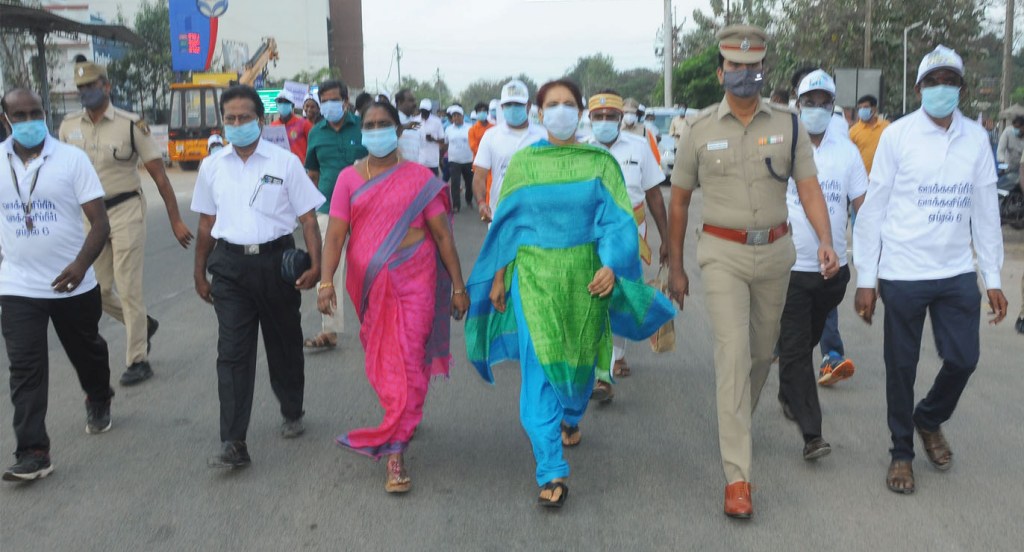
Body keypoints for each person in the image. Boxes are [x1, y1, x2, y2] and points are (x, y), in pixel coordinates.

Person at [464, 78, 674, 508]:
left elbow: (616, 222)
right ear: (540, 114)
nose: (559, 110)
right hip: (534, 279)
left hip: (586, 280)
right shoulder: (524, 164)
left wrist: (612, 267)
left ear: (578, 112)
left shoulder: (599, 162)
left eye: (567, 104)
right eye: (551, 104)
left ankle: (572, 415)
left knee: (578, 369)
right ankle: (551, 468)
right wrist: (501, 277)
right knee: (538, 369)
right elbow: (509, 225)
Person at [667, 25, 838, 519]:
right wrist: (675, 266)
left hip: (776, 254)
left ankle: (734, 414)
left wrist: (825, 240)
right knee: (733, 352)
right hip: (722, 253)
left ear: (763, 69)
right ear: (721, 71)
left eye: (752, 66)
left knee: (763, 353)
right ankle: (738, 476)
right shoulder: (697, 129)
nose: (744, 75)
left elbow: (808, 188)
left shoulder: (789, 124)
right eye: (734, 67)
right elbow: (678, 204)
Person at [853, 45, 1007, 495]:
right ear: (919, 87)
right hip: (903, 270)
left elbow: (984, 212)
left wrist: (992, 277)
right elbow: (874, 209)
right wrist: (867, 279)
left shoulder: (976, 138)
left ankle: (929, 417)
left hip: (956, 270)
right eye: (933, 81)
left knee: (964, 358)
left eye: (950, 81)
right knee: (900, 367)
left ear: (960, 88)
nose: (942, 88)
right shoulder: (897, 136)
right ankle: (902, 452)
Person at [317, 101, 469, 493]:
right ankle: (402, 417)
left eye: (385, 123)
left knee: (408, 361)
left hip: (416, 281)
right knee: (385, 362)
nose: (377, 129)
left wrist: (457, 285)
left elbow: (442, 236)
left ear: (398, 129)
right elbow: (335, 235)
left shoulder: (418, 177)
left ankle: (396, 451)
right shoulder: (349, 179)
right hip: (369, 287)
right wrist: (325, 282)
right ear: (362, 131)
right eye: (370, 124)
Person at [191, 85, 325, 469]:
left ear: (261, 121)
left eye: (244, 118)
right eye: (230, 119)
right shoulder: (212, 166)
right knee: (232, 354)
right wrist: (199, 272)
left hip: (276, 264)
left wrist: (315, 266)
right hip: (230, 268)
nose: (237, 125)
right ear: (223, 122)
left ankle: (292, 408)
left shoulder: (285, 163)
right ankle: (234, 441)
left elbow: (308, 220)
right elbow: (205, 224)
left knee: (284, 344)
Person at [0, 88, 114, 482]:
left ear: (44, 113)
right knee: (26, 369)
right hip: (18, 286)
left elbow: (100, 223)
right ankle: (33, 451)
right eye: (20, 114)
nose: (30, 120)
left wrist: (82, 265)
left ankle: (98, 395)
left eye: (35, 112)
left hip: (73, 285)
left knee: (88, 352)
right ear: (6, 118)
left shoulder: (71, 159)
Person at [58, 56, 194, 387]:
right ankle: (143, 325)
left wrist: (176, 220)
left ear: (107, 86)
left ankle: (137, 359)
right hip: (91, 216)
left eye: (91, 86)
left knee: (128, 286)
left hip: (126, 210)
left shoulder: (131, 124)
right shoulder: (68, 126)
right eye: (81, 88)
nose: (85, 92)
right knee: (98, 290)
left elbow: (160, 178)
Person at [776, 70, 867, 461]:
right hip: (792, 267)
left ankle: (786, 390)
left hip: (834, 274)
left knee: (809, 339)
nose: (815, 109)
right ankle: (812, 433)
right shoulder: (782, 147)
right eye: (808, 102)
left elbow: (864, 208)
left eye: (823, 103)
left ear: (833, 107)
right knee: (797, 348)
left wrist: (873, 268)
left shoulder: (847, 152)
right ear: (798, 104)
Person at [583, 90, 669, 402]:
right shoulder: (580, 150)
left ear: (621, 119)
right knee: (594, 293)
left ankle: (611, 361)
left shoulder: (640, 147)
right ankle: (600, 366)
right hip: (590, 233)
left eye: (611, 117)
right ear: (589, 119)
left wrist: (667, 240)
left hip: (630, 232)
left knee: (620, 293)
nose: (605, 122)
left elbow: (655, 195)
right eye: (598, 117)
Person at [303, 79, 367, 350]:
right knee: (329, 270)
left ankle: (378, 325)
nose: (329, 105)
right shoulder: (315, 133)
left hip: (366, 209)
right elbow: (313, 172)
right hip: (329, 209)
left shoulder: (364, 127)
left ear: (345, 101)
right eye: (324, 100)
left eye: (333, 100)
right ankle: (329, 331)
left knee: (371, 268)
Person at [472, 80, 547, 222]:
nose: (513, 108)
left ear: (528, 106)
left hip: (537, 216)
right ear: (502, 107)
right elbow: (479, 177)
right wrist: (482, 203)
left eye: (518, 104)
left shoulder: (543, 136)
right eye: (508, 104)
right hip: (501, 215)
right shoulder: (491, 136)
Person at [848, 94, 889, 175]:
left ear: (874, 109)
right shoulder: (853, 131)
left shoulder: (887, 127)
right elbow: (848, 156)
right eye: (860, 108)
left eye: (865, 107)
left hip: (883, 175)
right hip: (862, 177)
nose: (862, 110)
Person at [444, 105, 473, 213]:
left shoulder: (470, 128)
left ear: (462, 116)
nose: (455, 118)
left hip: (468, 160)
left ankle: (469, 199)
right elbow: (446, 143)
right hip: (454, 160)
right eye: (454, 116)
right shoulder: (448, 129)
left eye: (458, 115)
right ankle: (456, 205)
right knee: (455, 183)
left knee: (469, 183)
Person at [271, 91, 313, 165]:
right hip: (280, 167)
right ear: (276, 105)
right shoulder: (272, 126)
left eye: (286, 102)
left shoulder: (304, 124)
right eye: (280, 102)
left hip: (300, 167)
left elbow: (312, 147)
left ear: (292, 105)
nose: (283, 104)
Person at [621, 98, 661, 165]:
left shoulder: (644, 130)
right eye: (626, 112)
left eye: (632, 113)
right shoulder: (616, 129)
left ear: (637, 114)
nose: (629, 115)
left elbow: (652, 153)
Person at [416, 99, 444, 175]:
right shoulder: (415, 121)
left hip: (432, 161)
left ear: (430, 111)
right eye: (422, 111)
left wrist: (433, 139)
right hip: (419, 161)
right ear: (420, 110)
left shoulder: (437, 121)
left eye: (426, 112)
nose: (424, 114)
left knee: (433, 185)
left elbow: (442, 140)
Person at [395, 89, 421, 162]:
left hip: (414, 169)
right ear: (400, 102)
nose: (415, 103)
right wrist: (402, 127)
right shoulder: (392, 120)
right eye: (411, 100)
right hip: (397, 170)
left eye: (414, 100)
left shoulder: (415, 122)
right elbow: (387, 144)